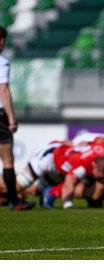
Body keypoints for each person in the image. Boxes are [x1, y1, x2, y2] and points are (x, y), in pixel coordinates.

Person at [0, 26, 35, 210]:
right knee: (7, 161)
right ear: (2, 41)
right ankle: (14, 201)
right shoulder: (2, 62)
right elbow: (3, 89)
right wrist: (11, 117)